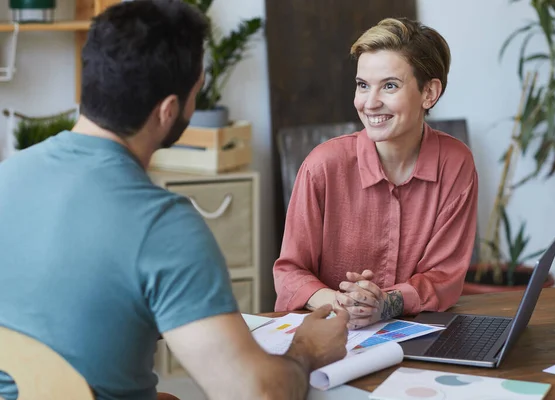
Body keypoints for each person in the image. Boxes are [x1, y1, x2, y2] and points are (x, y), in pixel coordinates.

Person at [0, 1, 349, 399]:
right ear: (168, 110)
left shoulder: (8, 174)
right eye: (194, 93)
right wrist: (308, 348)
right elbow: (257, 394)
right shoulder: (162, 225)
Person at [273, 17, 479, 330]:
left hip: (421, 336)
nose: (370, 103)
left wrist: (385, 303)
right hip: (331, 336)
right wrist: (344, 303)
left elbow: (444, 278)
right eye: (363, 85)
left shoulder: (455, 163)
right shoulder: (323, 166)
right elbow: (290, 273)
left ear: (429, 93)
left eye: (390, 86)